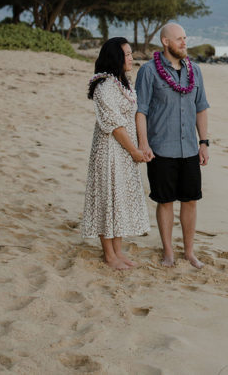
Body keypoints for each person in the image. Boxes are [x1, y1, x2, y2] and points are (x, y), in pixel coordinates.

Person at [135, 23, 210, 268]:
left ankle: (189, 252)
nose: (184, 43)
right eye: (178, 39)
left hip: (189, 147)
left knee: (190, 200)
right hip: (160, 148)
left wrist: (204, 142)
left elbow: (201, 108)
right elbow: (141, 110)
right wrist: (143, 144)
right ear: (165, 42)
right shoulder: (148, 72)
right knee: (164, 201)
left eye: (185, 38)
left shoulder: (195, 71)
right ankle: (168, 252)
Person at [83, 37, 152, 270]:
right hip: (110, 150)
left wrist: (141, 146)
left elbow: (134, 116)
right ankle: (109, 255)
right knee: (107, 198)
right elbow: (114, 124)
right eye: (127, 54)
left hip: (125, 150)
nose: (131, 58)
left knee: (120, 199)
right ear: (115, 57)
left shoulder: (124, 84)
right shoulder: (104, 86)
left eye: (132, 54)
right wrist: (133, 150)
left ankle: (118, 251)